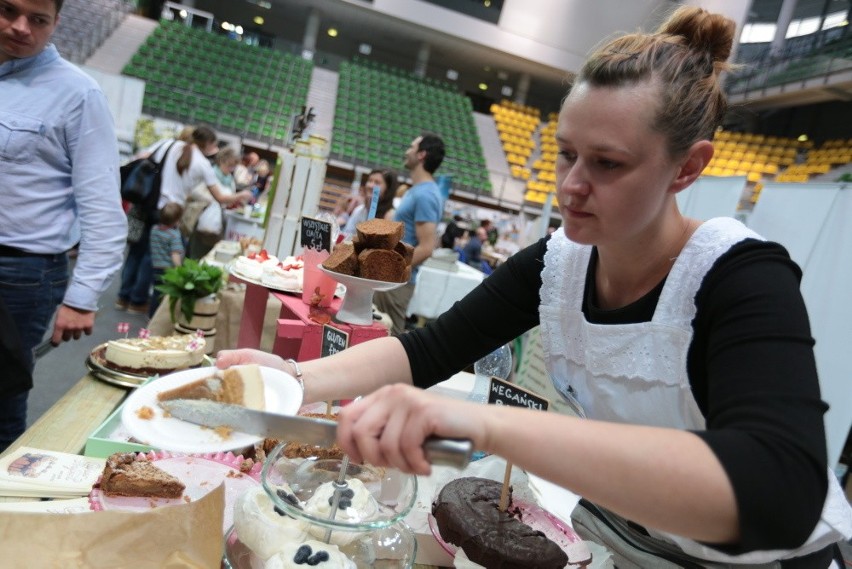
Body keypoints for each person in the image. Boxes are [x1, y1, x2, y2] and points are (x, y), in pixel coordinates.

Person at [219, 7, 851, 566]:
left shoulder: (742, 279)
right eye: (565, 153)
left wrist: (481, 426)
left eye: (607, 163)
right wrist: (290, 381)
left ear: (688, 167)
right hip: (621, 533)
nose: (571, 185)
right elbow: (427, 351)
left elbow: (778, 493)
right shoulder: (563, 260)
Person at [0, 0, 128, 451]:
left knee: (1, 403)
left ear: (56, 23)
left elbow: (102, 207)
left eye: (37, 19)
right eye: (8, 11)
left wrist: (83, 295)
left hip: (19, 275)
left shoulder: (78, 94)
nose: (21, 28)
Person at [116, 127, 251, 314]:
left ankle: (123, 297)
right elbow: (220, 197)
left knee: (136, 251)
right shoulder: (203, 164)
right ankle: (137, 301)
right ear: (210, 145)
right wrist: (242, 195)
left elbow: (143, 156)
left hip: (147, 203)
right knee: (152, 256)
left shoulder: (168, 144)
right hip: (171, 212)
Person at [373, 133, 445, 335]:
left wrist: (390, 269)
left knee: (388, 337)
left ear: (421, 154)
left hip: (396, 281)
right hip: (390, 279)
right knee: (377, 334)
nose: (407, 151)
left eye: (411, 147)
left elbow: (426, 247)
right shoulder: (417, 191)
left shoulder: (426, 194)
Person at [186, 146, 239, 259]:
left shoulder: (230, 180)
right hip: (202, 220)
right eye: (229, 165)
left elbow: (228, 200)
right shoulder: (209, 173)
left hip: (217, 224)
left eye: (233, 166)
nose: (231, 169)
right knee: (196, 254)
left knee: (210, 256)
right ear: (222, 161)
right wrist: (214, 199)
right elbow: (194, 193)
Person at [148, 202, 184, 317]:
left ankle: (152, 316)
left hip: (155, 267)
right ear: (177, 220)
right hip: (168, 270)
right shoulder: (174, 235)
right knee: (166, 295)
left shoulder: (154, 230)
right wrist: (179, 269)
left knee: (156, 292)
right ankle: (161, 317)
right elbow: (175, 255)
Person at [341, 168, 398, 237]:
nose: (370, 185)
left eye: (377, 183)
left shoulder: (392, 216)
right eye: (370, 180)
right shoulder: (359, 210)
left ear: (388, 189)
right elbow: (347, 235)